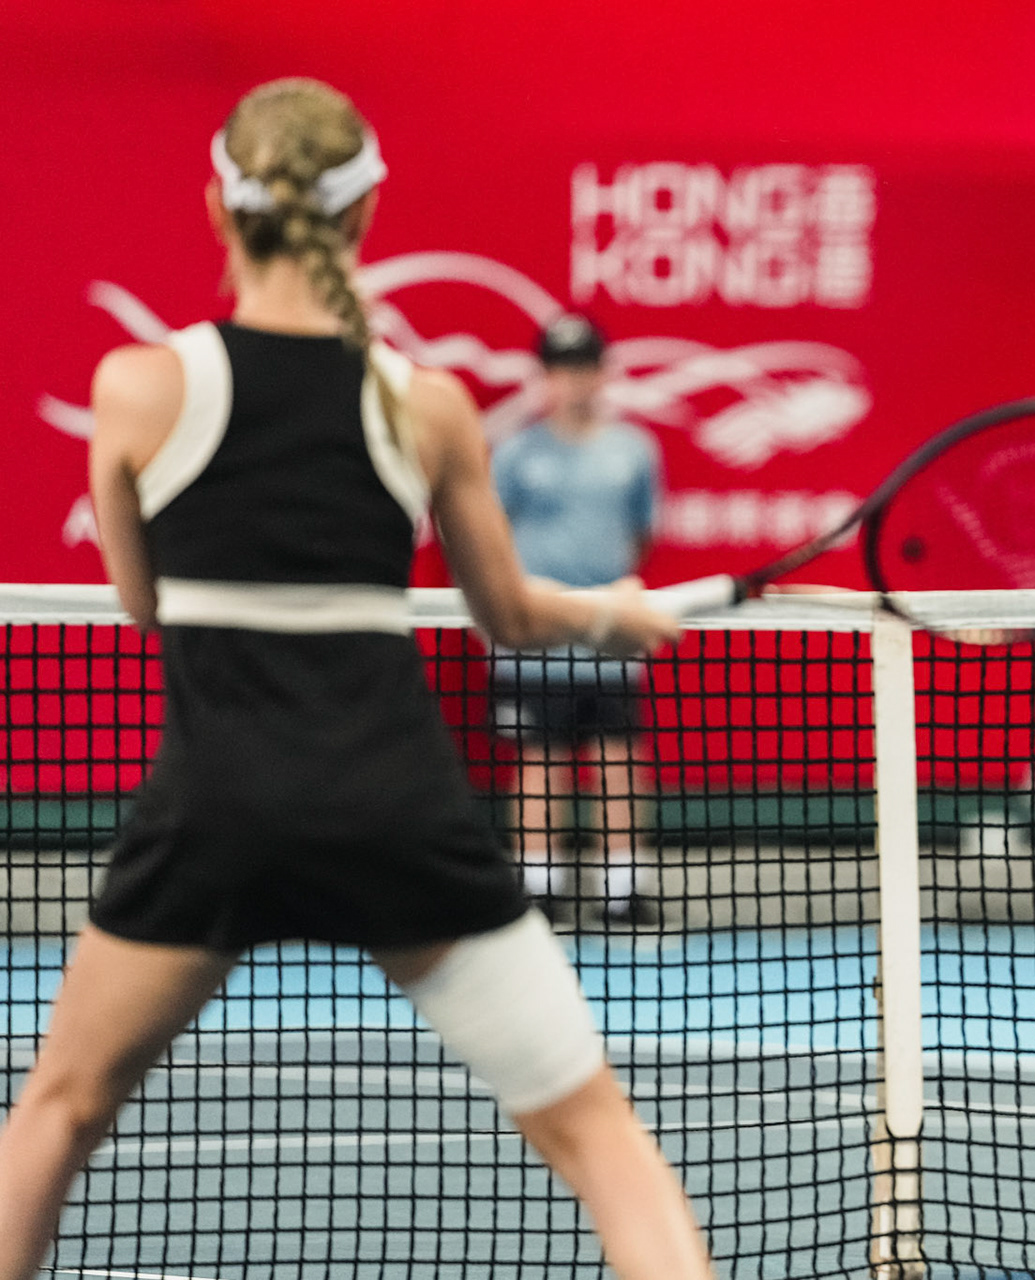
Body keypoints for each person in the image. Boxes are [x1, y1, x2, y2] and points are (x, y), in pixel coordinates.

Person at [0, 79, 711, 1280]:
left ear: (219, 210)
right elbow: (515, 613)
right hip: (396, 810)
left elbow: (141, 602)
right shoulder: (422, 403)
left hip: (211, 809)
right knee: (599, 1138)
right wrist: (619, 616)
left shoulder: (137, 387)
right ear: (368, 211)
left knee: (56, 1110)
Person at [492, 315, 666, 927]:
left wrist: (603, 610)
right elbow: (489, 543)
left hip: (611, 639)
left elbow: (642, 535)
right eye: (562, 369)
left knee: (618, 760)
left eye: (585, 366)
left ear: (603, 371)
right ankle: (539, 889)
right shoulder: (514, 454)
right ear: (546, 376)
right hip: (534, 641)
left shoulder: (634, 451)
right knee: (538, 763)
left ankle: (623, 890)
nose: (575, 380)